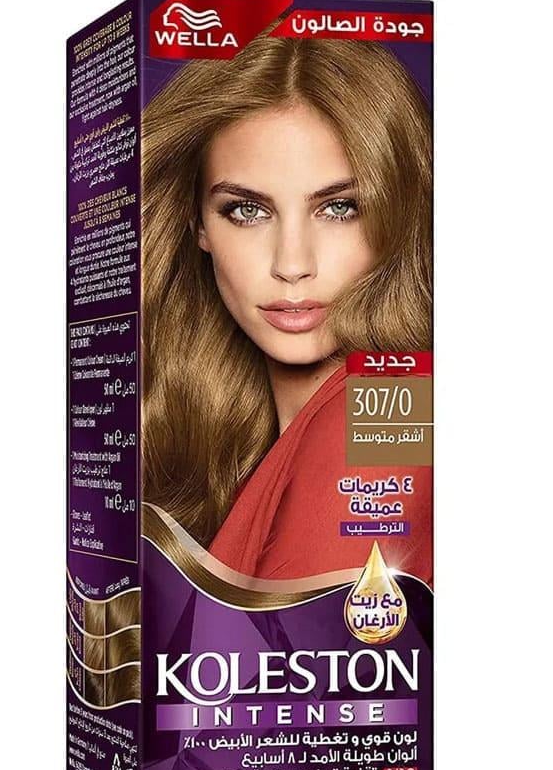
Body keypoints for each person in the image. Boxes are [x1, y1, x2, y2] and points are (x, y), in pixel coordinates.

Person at [141, 30, 432, 585]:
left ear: (397, 214)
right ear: (198, 224)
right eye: (247, 211)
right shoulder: (233, 445)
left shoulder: (383, 413)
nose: (292, 264)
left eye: (340, 208)